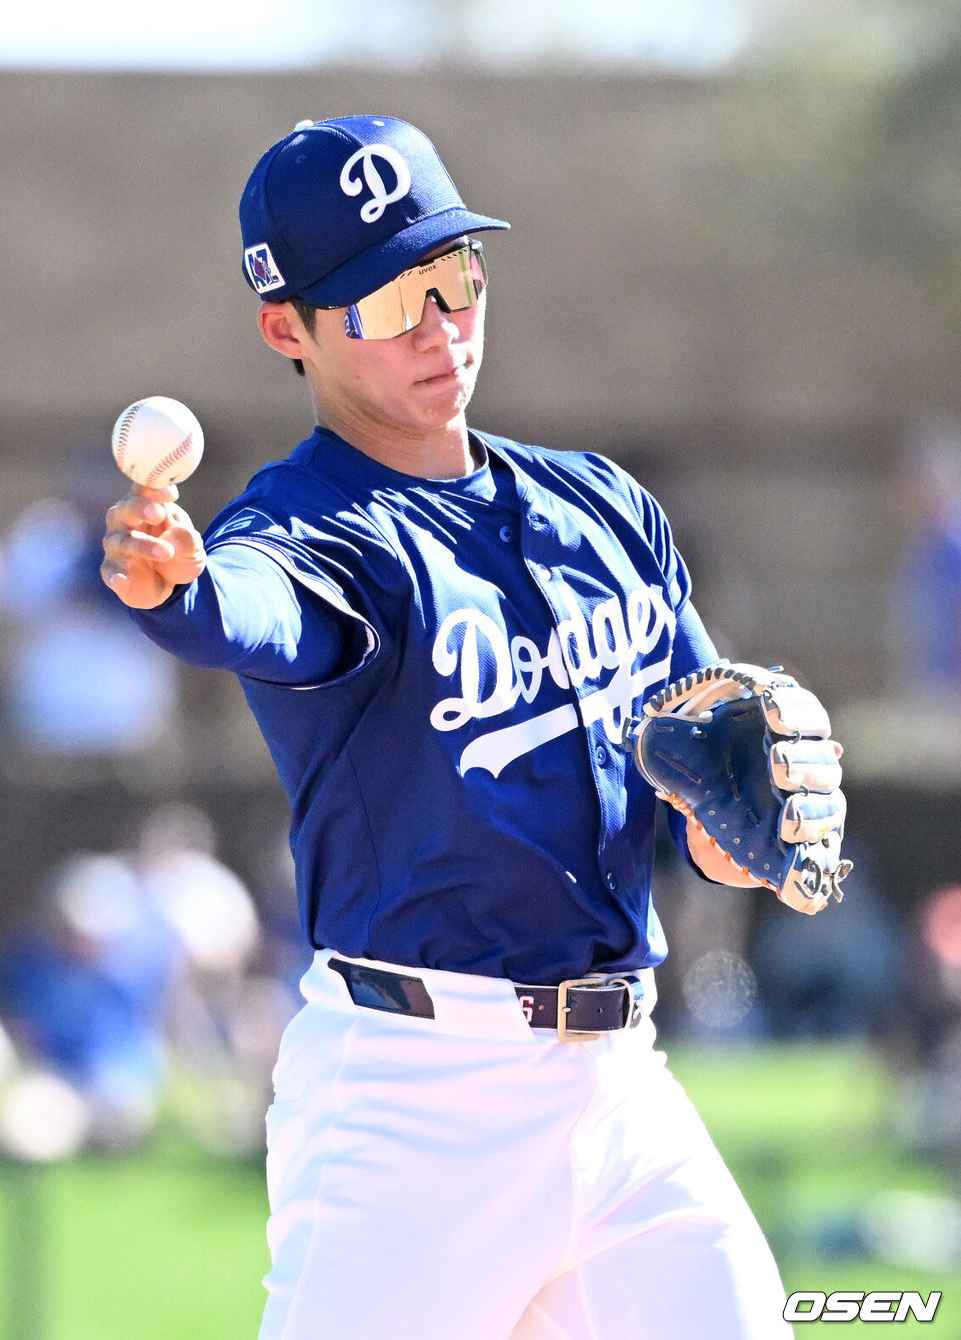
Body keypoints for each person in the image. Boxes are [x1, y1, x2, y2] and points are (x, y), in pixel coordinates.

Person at [101, 115, 799, 1339]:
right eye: (383, 300)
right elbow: (260, 608)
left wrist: (735, 832)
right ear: (288, 330)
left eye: (452, 275)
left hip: (622, 1086)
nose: (437, 326)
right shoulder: (313, 525)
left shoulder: (604, 508)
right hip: (416, 1102)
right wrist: (184, 590)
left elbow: (702, 764)